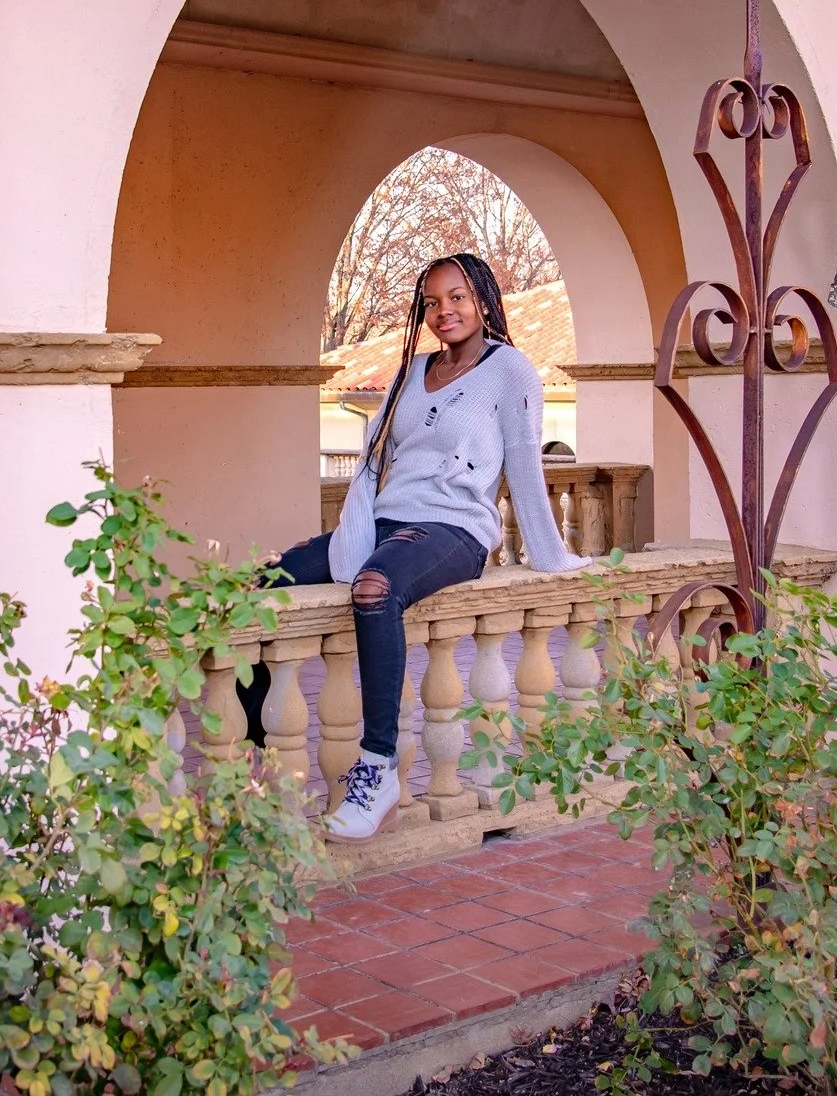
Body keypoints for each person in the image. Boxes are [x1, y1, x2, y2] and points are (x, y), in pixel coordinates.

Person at [241, 252, 591, 843]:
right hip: (385, 523)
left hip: (454, 531)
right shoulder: (409, 373)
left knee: (375, 587)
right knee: (263, 582)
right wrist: (338, 538)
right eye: (431, 301)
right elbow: (371, 465)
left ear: (481, 298)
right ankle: (256, 756)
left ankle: (377, 771)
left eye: (456, 297)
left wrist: (553, 556)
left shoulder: (510, 371)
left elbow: (527, 471)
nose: (443, 310)